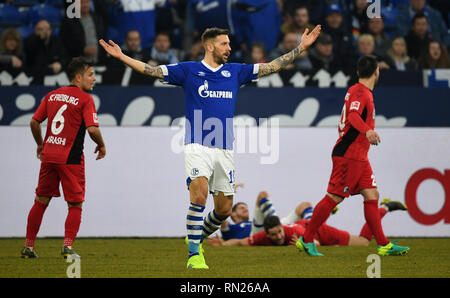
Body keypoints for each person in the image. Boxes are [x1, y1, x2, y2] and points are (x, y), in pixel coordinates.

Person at [99, 24, 322, 269]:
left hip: (224, 148)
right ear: (209, 46)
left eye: (228, 43)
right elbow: (151, 71)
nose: (229, 48)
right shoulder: (189, 70)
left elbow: (271, 66)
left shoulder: (235, 72)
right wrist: (122, 57)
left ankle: (196, 235)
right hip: (197, 145)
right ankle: (194, 254)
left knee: (224, 210)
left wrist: (300, 48)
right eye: (224, 43)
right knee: (199, 194)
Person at [296, 55, 410, 257]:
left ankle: (383, 244)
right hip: (349, 155)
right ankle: (306, 239)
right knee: (334, 196)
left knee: (372, 195)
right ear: (377, 71)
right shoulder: (360, 92)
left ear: (358, 72)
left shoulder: (360, 91)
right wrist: (367, 131)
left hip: (359, 156)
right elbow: (353, 116)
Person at [20, 57, 106, 259]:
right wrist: (101, 145)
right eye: (90, 74)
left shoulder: (52, 95)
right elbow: (92, 129)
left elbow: (34, 122)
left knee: (41, 200)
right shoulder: (85, 99)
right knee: (75, 204)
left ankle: (28, 246)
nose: (94, 78)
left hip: (49, 155)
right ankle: (67, 246)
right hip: (71, 158)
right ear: (78, 77)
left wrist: (40, 144)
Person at [210, 197, 408, 247]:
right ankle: (326, 211)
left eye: (279, 232)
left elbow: (316, 244)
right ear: (268, 234)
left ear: (281, 228)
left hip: (320, 232)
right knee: (309, 211)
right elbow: (241, 242)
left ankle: (384, 208)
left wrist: (300, 244)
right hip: (309, 224)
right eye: (275, 234)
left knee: (365, 242)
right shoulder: (264, 237)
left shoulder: (292, 232)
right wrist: (222, 244)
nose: (279, 236)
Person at [60, 0, 106, 64]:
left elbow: (102, 37)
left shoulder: (97, 18)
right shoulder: (69, 21)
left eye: (87, 2)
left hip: (98, 61)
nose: (85, 5)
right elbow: (65, 42)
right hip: (78, 64)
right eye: (81, 2)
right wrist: (82, 50)